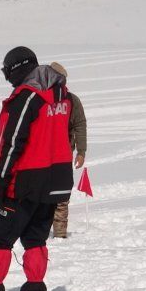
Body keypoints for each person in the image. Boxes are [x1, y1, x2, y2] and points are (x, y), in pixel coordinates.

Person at [0, 46, 73, 291]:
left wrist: (0, 181)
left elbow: (13, 143)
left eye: (6, 72)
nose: (7, 78)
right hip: (54, 179)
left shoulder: (27, 97)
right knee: (35, 238)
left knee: (0, 240)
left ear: (17, 69)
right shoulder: (63, 96)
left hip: (22, 181)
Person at [48, 62, 87, 239]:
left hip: (63, 156)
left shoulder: (71, 100)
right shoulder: (38, 97)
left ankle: (60, 234)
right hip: (40, 156)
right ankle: (37, 233)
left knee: (61, 196)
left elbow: (80, 125)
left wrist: (81, 151)